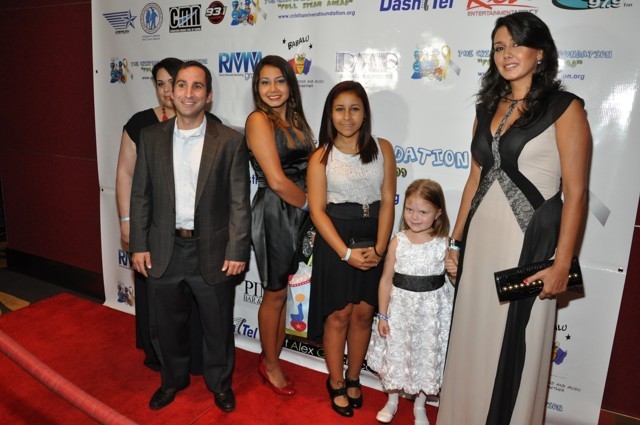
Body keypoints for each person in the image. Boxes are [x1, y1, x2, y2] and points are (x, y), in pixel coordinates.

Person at [437, 12, 591, 425]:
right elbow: (474, 179)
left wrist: (562, 263)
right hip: (480, 242)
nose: (506, 54)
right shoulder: (487, 106)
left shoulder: (565, 108)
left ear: (540, 52)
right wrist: (455, 242)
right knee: (472, 336)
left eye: (516, 45)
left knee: (514, 341)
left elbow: (576, 194)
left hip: (527, 244)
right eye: (499, 47)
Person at [129, 61, 251, 412]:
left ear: (208, 95)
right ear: (171, 92)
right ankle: (172, 381)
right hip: (163, 249)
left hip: (212, 250)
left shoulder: (230, 141)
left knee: (217, 326)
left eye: (197, 86)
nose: (188, 93)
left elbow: (239, 202)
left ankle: (220, 384)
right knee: (166, 326)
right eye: (181, 85)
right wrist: (139, 244)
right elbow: (141, 196)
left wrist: (237, 248)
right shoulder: (150, 137)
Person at [116, 57, 221, 372]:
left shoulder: (212, 127)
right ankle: (162, 360)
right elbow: (126, 175)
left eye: (172, 83)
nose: (166, 90)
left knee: (199, 302)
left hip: (198, 237)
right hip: (153, 229)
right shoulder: (141, 125)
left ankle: (197, 360)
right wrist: (127, 223)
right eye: (160, 84)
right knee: (158, 302)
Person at [307, 81, 397, 417]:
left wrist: (381, 247)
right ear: (330, 114)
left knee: (362, 314)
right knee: (338, 315)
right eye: (340, 109)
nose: (347, 116)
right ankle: (335, 381)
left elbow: (387, 200)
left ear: (365, 113)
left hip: (373, 238)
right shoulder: (321, 156)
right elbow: (317, 211)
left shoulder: (383, 148)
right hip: (337, 240)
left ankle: (354, 376)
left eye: (354, 109)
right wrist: (345, 253)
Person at [245, 55, 315, 396]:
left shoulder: (297, 119)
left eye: (279, 80)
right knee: (274, 291)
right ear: (256, 88)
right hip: (276, 211)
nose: (273, 89)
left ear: (290, 84)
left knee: (286, 288)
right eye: (265, 82)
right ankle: (270, 365)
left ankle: (272, 355)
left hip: (300, 208)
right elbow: (275, 180)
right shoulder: (259, 120)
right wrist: (312, 206)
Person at [367, 179, 453, 425]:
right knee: (396, 353)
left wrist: (455, 270)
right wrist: (382, 315)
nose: (414, 217)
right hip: (400, 310)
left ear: (438, 213)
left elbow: (454, 281)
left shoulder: (444, 243)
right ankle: (392, 400)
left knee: (426, 355)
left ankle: (420, 405)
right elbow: (386, 280)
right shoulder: (398, 241)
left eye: (423, 212)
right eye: (409, 209)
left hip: (430, 313)